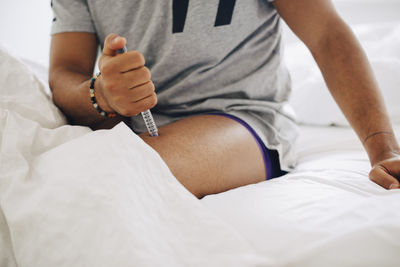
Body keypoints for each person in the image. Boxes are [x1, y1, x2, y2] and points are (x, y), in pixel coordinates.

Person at [49, 0, 400, 198]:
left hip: (241, 117)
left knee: (120, 175)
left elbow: (326, 35)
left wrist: (383, 149)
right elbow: (65, 72)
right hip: (130, 122)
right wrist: (100, 94)